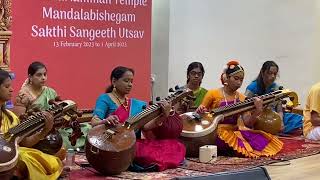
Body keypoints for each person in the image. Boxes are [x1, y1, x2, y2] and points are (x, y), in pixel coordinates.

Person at [91, 66, 185, 171]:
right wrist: (105, 120)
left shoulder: (137, 104)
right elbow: (94, 121)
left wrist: (164, 115)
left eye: (131, 81)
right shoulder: (105, 98)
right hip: (111, 143)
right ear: (114, 81)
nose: (130, 84)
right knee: (149, 155)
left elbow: (145, 127)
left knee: (174, 146)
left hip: (132, 144)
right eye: (126, 81)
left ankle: (137, 162)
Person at [198, 60, 283, 158]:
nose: (239, 83)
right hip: (216, 132)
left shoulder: (242, 98)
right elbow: (200, 115)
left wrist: (258, 111)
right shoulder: (212, 93)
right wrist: (200, 111)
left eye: (241, 80)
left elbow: (248, 123)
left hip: (235, 131)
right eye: (236, 78)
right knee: (227, 145)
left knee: (262, 139)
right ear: (227, 78)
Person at [13, 61, 90, 150]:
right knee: (57, 142)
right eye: (39, 75)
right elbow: (18, 121)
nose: (43, 78)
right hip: (35, 132)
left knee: (86, 128)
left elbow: (61, 112)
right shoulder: (23, 96)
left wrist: (65, 120)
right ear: (30, 77)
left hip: (54, 128)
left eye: (45, 74)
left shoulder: (50, 92)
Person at [0, 69, 62, 180]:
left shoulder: (11, 117)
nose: (11, 89)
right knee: (25, 160)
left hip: (12, 154)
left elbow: (25, 143)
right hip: (8, 157)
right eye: (6, 86)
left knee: (53, 162)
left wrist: (44, 131)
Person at [245, 61, 303, 134]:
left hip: (273, 116)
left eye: (275, 74)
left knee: (299, 119)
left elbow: (279, 110)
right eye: (269, 73)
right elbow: (245, 112)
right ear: (262, 73)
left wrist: (281, 122)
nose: (272, 76)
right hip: (258, 118)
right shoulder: (252, 88)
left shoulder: (276, 88)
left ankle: (282, 129)